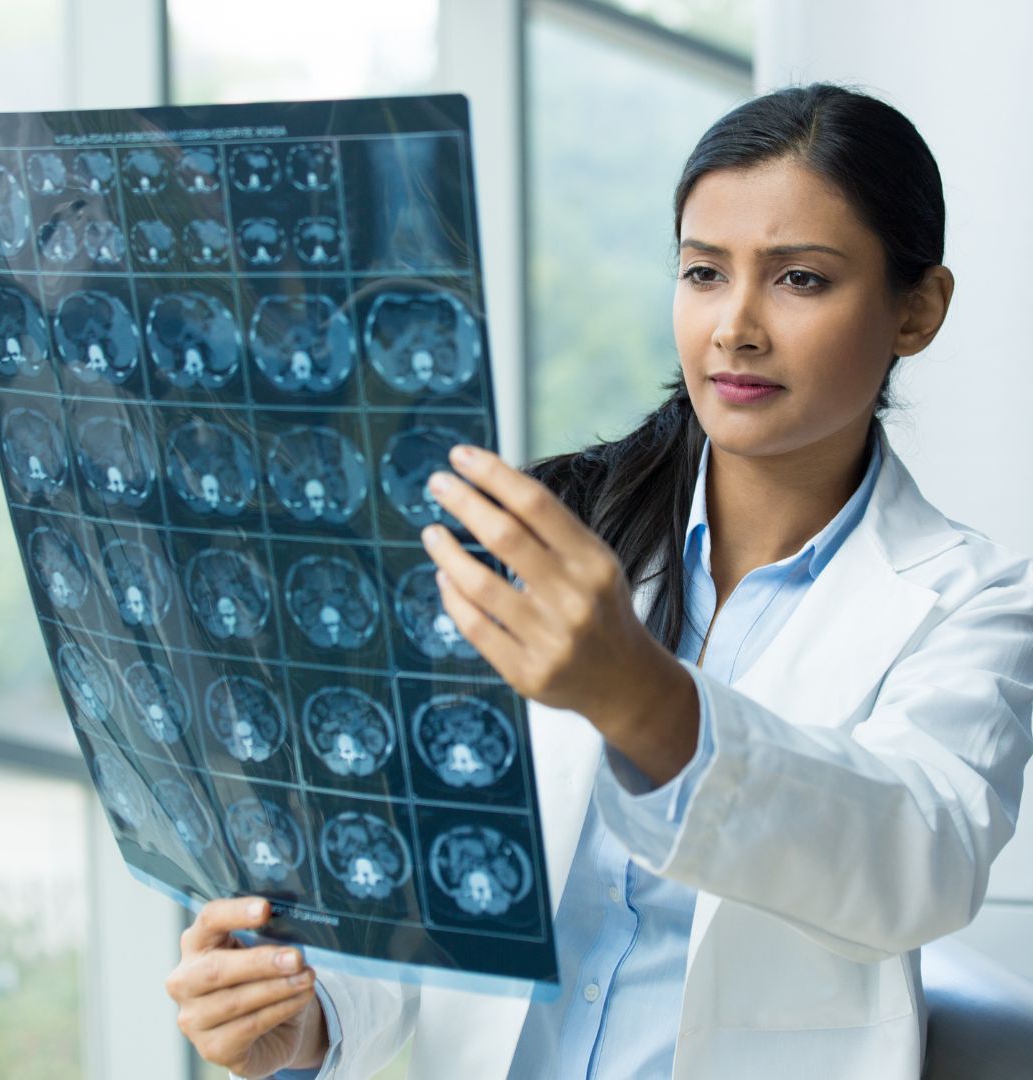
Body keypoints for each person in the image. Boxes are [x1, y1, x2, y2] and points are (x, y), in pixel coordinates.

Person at [164, 81, 1033, 1079]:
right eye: (705, 272)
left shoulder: (975, 601)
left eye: (799, 280)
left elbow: (910, 864)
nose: (735, 327)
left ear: (917, 310)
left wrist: (641, 696)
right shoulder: (553, 530)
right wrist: (307, 1016)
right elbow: (438, 901)